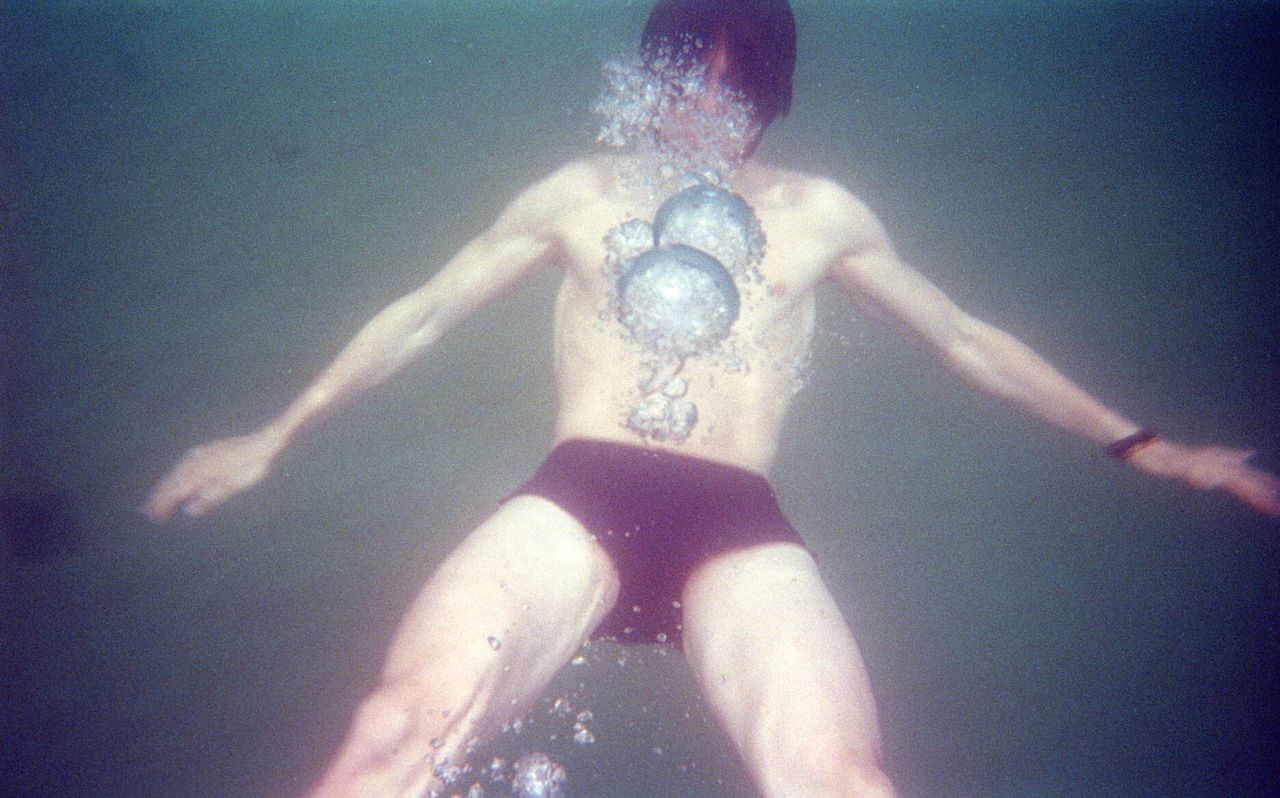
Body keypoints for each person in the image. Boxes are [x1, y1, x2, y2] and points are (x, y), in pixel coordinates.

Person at [142, 2, 1279, 796]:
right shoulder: (576, 196)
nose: (713, 100)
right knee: (395, 736)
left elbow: (966, 341)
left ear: (771, 95)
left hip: (737, 528)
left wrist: (1147, 446)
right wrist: (274, 434)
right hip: (575, 499)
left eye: (742, 80)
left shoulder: (821, 213)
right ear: (654, 72)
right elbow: (423, 311)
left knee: (841, 782)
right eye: (692, 69)